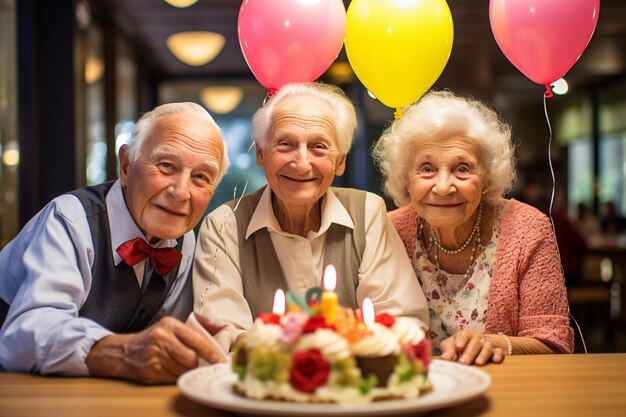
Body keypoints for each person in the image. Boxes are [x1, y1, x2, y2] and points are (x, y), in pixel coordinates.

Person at [0, 102, 229, 384]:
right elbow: (23, 335)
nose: (182, 193)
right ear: (126, 165)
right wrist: (122, 353)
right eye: (167, 166)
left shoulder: (185, 240)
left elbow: (161, 335)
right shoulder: (70, 221)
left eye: (201, 177)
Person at [193, 82, 429, 351]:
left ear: (340, 161)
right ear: (261, 153)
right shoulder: (224, 225)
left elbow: (403, 320)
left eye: (318, 146)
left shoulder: (368, 212)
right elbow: (220, 333)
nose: (302, 163)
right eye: (285, 144)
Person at [372, 90, 574, 366]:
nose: (443, 187)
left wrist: (497, 343)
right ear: (407, 177)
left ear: (487, 177)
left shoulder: (528, 228)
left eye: (463, 169)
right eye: (427, 168)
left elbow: (554, 342)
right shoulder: (389, 229)